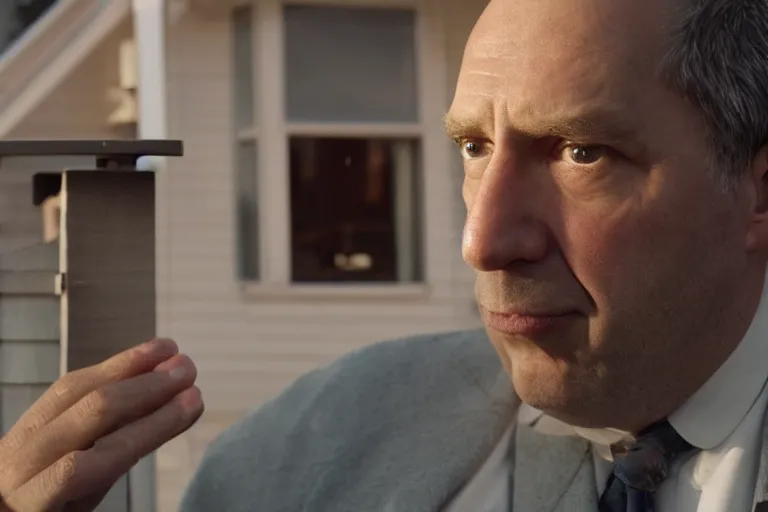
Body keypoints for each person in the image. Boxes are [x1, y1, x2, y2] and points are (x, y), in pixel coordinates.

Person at [1, 0, 767, 510]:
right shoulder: (313, 447)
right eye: (473, 147)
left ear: (758, 193)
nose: (482, 240)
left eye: (581, 152)